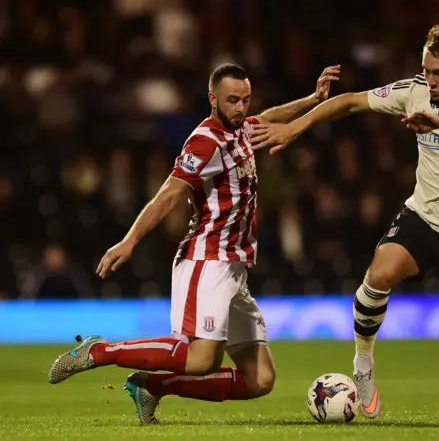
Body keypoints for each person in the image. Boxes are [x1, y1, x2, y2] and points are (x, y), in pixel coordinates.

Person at [251, 23, 439, 419]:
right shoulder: (412, 90)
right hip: (423, 215)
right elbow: (349, 102)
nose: (431, 80)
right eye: (427, 70)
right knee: (378, 275)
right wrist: (295, 127)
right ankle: (362, 366)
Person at [48, 62, 341, 424]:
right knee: (202, 358)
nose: (240, 108)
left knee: (260, 380)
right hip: (206, 259)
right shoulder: (204, 142)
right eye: (232, 100)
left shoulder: (240, 129)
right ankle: (100, 350)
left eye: (245, 100)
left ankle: (152, 386)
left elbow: (268, 117)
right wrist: (129, 241)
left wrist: (312, 99)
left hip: (234, 267)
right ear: (212, 99)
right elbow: (169, 194)